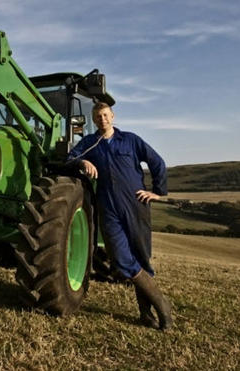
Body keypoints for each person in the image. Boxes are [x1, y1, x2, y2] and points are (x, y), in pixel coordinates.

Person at [68, 101, 173, 330]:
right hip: (108, 207)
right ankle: (163, 304)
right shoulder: (90, 142)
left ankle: (147, 314)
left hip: (135, 204)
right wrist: (83, 161)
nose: (102, 119)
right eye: (98, 117)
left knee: (142, 258)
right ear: (94, 119)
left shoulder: (131, 140)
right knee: (121, 258)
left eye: (105, 115)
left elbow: (157, 162)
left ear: (112, 116)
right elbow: (69, 159)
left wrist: (157, 192)